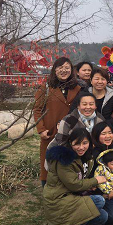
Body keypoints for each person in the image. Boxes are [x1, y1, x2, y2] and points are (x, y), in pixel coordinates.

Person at [43, 128, 108, 225]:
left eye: (85, 143)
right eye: (77, 144)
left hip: (72, 196)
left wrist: (88, 187)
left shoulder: (87, 157)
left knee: (103, 216)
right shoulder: (64, 159)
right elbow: (74, 184)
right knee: (99, 201)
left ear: (90, 143)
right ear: (70, 143)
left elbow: (79, 180)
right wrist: (95, 181)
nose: (81, 147)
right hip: (59, 198)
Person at [34, 57, 83, 185]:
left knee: (69, 163)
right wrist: (41, 129)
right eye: (60, 67)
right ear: (54, 70)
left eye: (67, 67)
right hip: (50, 132)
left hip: (71, 132)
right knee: (48, 163)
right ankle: (47, 188)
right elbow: (37, 109)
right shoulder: (46, 88)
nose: (64, 70)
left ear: (71, 70)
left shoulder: (78, 88)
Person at [47, 93, 107, 158]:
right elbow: (61, 141)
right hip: (64, 154)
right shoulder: (68, 120)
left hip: (90, 154)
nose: (88, 107)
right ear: (78, 106)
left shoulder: (100, 119)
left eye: (91, 104)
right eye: (84, 104)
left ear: (95, 106)